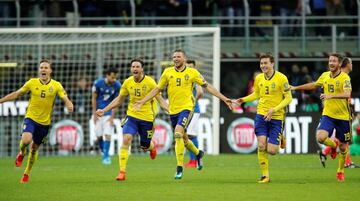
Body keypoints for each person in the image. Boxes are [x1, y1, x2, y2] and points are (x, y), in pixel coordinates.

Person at [134, 49, 232, 179]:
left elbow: (207, 87)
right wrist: (142, 101)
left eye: (178, 57)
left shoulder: (192, 72)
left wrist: (224, 98)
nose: (175, 59)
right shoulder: (167, 72)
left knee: (178, 134)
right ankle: (198, 154)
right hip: (173, 110)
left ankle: (179, 168)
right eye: (174, 57)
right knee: (184, 139)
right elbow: (157, 89)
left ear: (184, 58)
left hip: (187, 108)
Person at [0, 59, 74, 183]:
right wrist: (1, 100)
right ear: (39, 70)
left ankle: (26, 173)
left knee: (34, 148)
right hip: (31, 118)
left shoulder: (56, 85)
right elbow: (17, 94)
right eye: (41, 67)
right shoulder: (32, 82)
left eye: (46, 67)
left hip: (44, 123)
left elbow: (64, 97)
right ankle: (22, 153)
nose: (43, 69)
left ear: (50, 70)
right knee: (26, 140)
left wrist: (69, 103)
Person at [96, 58, 168, 181]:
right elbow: (119, 99)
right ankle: (122, 172)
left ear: (142, 69)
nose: (135, 69)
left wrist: (169, 110)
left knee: (145, 145)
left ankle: (152, 147)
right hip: (132, 116)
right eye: (133, 67)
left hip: (147, 119)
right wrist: (104, 109)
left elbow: (160, 99)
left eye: (137, 66)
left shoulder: (150, 82)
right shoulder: (127, 82)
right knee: (126, 139)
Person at [290, 53, 352, 182]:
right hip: (328, 115)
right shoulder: (324, 75)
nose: (331, 63)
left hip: (343, 116)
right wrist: (296, 87)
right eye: (330, 61)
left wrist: (331, 96)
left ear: (340, 64)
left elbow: (347, 94)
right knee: (321, 137)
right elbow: (314, 84)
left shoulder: (344, 77)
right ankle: (333, 146)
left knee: (343, 147)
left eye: (334, 61)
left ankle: (340, 170)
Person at [234, 53, 292, 183]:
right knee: (261, 145)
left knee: (272, 151)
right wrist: (242, 99)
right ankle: (265, 176)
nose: (263, 66)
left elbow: (289, 98)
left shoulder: (282, 78)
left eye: (266, 63)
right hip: (261, 115)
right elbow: (256, 94)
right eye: (261, 63)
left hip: (277, 116)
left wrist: (274, 109)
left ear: (272, 63)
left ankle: (280, 136)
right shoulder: (259, 78)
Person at [318, 57, 359, 168]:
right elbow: (341, 95)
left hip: (343, 113)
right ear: (347, 64)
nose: (352, 65)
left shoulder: (345, 77)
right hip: (334, 113)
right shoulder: (341, 77)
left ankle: (329, 154)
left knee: (343, 142)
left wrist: (350, 110)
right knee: (342, 142)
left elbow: (347, 98)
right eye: (351, 63)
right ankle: (344, 161)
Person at [92, 68, 121, 165]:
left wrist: (112, 117)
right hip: (98, 113)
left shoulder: (117, 85)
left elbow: (117, 101)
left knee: (108, 134)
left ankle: (106, 156)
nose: (114, 79)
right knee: (99, 135)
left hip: (108, 113)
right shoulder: (98, 84)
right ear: (107, 75)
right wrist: (94, 114)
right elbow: (94, 98)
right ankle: (104, 152)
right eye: (112, 77)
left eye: (115, 78)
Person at [184, 59, 204, 168]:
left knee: (190, 135)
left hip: (194, 110)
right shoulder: (186, 77)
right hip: (187, 110)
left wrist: (193, 102)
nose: (190, 69)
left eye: (191, 67)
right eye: (188, 67)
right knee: (187, 135)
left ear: (195, 68)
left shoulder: (195, 77)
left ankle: (194, 160)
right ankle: (194, 159)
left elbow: (200, 92)